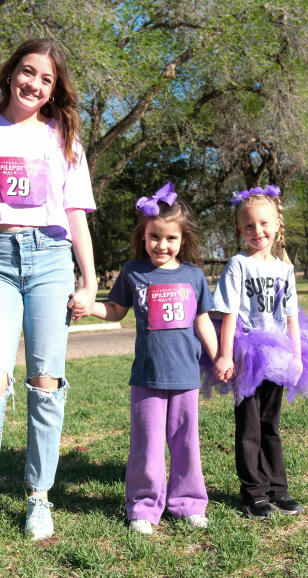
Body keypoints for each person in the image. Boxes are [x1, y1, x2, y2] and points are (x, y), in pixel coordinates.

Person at [0, 39, 97, 546]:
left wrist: (88, 278)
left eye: (46, 79)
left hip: (51, 259)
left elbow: (75, 216)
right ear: (10, 75)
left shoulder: (64, 139)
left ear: (55, 89)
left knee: (46, 382)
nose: (34, 84)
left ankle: (38, 498)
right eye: (28, 73)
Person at [83, 183, 218, 534]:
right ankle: (143, 507)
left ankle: (188, 502)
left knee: (186, 443)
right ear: (143, 237)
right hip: (147, 377)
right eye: (154, 237)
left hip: (186, 376)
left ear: (182, 240)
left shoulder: (193, 276)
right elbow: (115, 310)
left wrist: (219, 356)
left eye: (170, 238)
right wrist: (90, 307)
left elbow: (202, 320)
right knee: (147, 446)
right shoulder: (134, 272)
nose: (162, 245)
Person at [210, 185, 308, 520]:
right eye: (249, 226)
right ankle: (253, 493)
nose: (258, 231)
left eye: (264, 224)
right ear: (240, 231)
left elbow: (291, 319)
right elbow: (227, 315)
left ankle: (277, 489)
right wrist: (225, 355)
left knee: (271, 423)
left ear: (277, 226)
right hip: (246, 352)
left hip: (279, 354)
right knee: (249, 426)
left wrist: (297, 357)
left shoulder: (285, 270)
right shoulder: (238, 266)